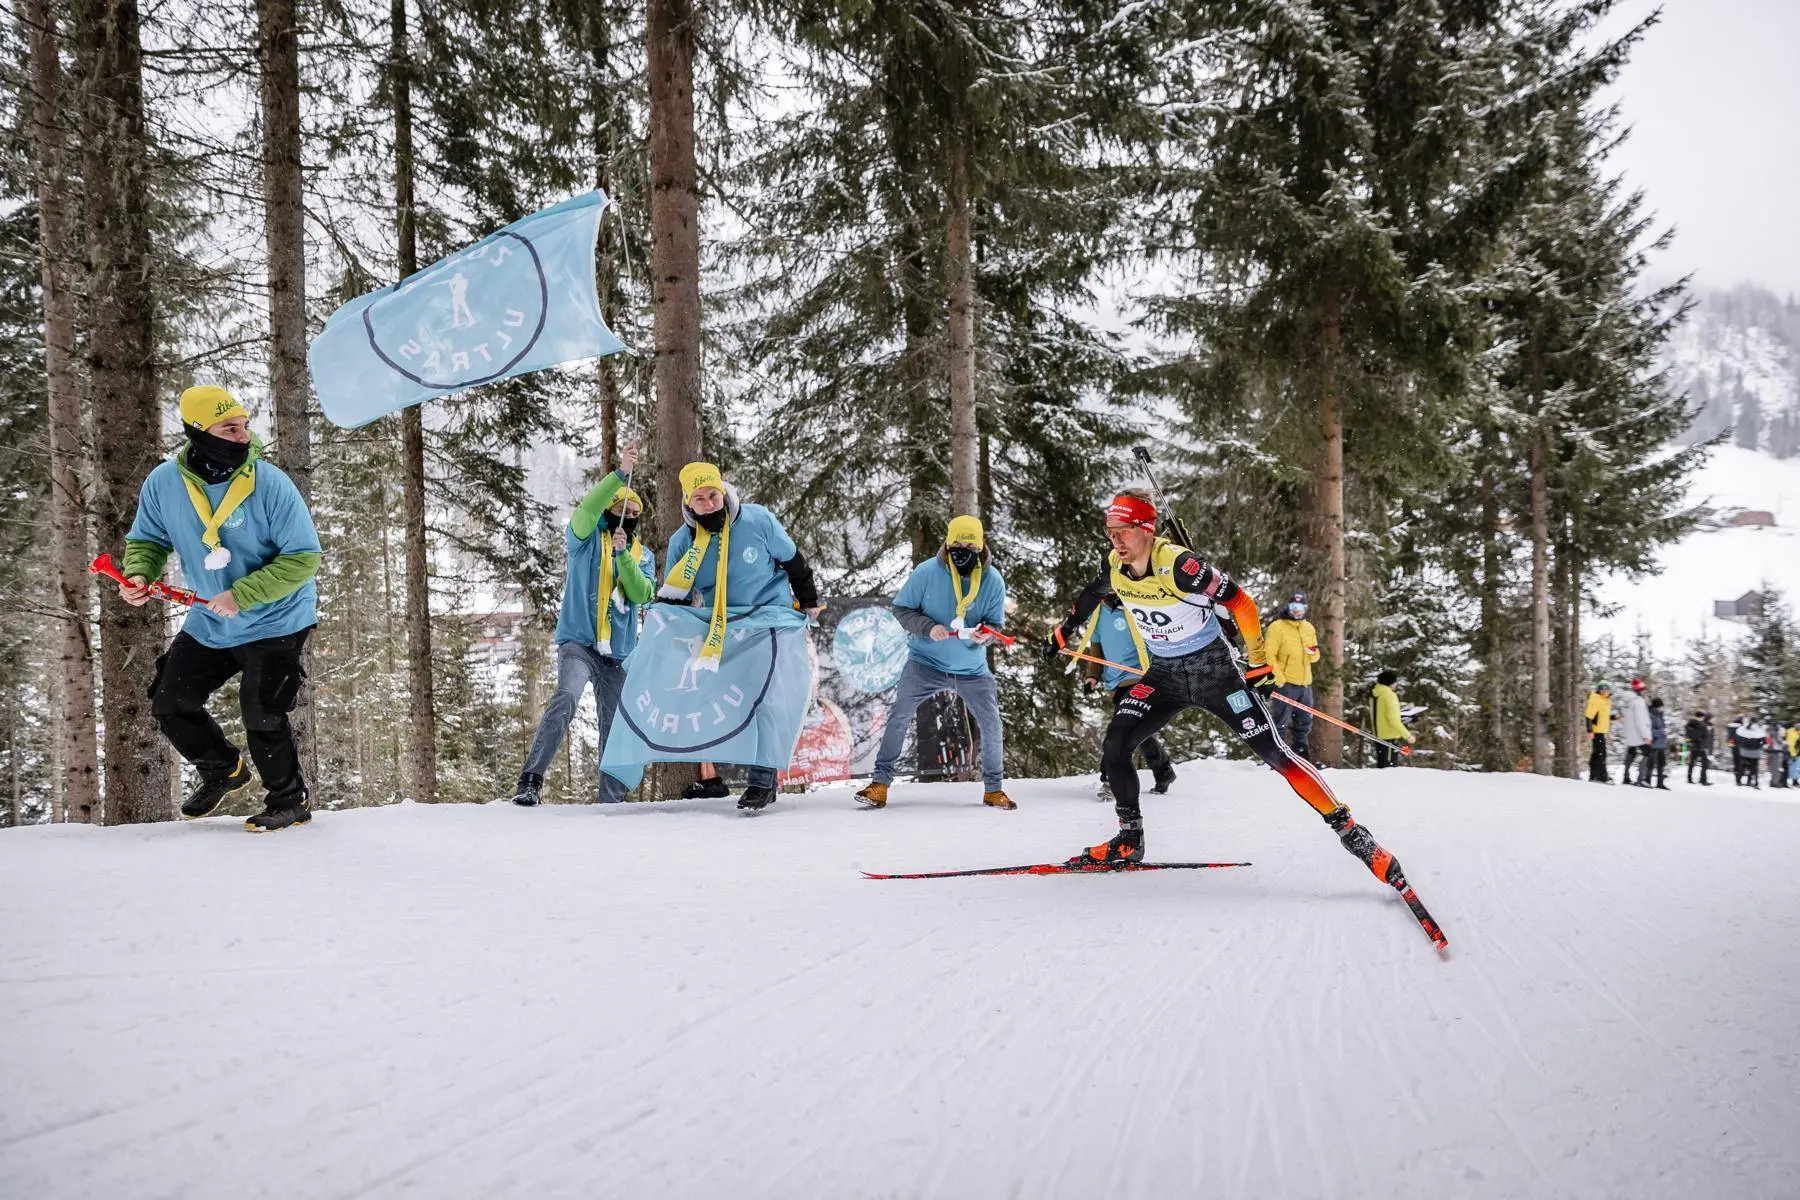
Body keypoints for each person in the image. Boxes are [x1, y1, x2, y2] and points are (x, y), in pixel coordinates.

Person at [1043, 487, 1421, 898]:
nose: (1115, 540)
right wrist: (1066, 627)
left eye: (1124, 531)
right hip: (1163, 676)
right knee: (1116, 745)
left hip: (1215, 676)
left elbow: (1242, 602)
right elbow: (1092, 595)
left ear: (1146, 529)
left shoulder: (1180, 565)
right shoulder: (1115, 566)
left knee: (1277, 754)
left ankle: (1356, 837)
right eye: (1110, 531)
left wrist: (1259, 660)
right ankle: (1129, 839)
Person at [118, 386, 321, 831]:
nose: (242, 435)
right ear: (197, 430)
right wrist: (139, 576)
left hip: (276, 616)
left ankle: (289, 801)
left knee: (262, 707)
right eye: (230, 427)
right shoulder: (163, 483)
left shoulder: (269, 482)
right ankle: (222, 769)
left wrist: (243, 594)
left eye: (245, 425)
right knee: (170, 702)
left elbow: (304, 557)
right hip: (211, 619)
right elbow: (147, 541)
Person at [658, 461, 824, 811]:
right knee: (720, 701)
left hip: (767, 620)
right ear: (688, 503)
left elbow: (794, 561)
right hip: (721, 631)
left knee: (764, 698)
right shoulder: (682, 542)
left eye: (713, 495)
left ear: (724, 493)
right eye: (699, 499)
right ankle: (713, 776)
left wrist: (808, 601)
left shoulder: (758, 520)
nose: (708, 504)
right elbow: (676, 595)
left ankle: (763, 781)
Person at [510, 445, 656, 806]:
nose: (629, 516)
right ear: (611, 511)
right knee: (567, 697)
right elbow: (587, 508)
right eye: (622, 509)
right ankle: (531, 779)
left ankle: (611, 800)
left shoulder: (643, 555)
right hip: (578, 642)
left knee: (615, 724)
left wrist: (623, 557)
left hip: (618, 653)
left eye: (636, 513)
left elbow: (641, 593)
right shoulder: (584, 541)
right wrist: (621, 474)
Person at [855, 516, 1013, 811]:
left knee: (992, 724)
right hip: (925, 663)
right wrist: (927, 627)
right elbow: (901, 610)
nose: (961, 549)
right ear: (947, 543)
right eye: (956, 544)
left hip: (972, 671)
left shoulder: (993, 581)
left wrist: (985, 636)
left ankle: (993, 789)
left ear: (980, 546)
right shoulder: (927, 572)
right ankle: (879, 784)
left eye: (969, 544)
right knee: (899, 716)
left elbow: (995, 627)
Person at [1077, 588, 1177, 803]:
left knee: (1119, 728)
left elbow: (1155, 640)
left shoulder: (1137, 607)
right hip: (1116, 680)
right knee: (1135, 730)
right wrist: (1092, 676)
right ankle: (1163, 770)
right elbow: (1096, 650)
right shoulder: (1098, 614)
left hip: (1140, 676)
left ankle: (1111, 779)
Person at [1263, 592, 1320, 761]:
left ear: (1305, 609)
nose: (1297, 611)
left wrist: (1312, 652)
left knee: (1304, 722)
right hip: (1285, 683)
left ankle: (1301, 755)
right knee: (1281, 721)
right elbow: (1269, 655)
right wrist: (1279, 678)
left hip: (1305, 684)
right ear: (1288, 608)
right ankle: (1276, 757)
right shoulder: (1277, 627)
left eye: (1300, 607)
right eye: (1294, 607)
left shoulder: (1308, 628)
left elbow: (1315, 657)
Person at [1368, 669, 1414, 767]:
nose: (1396, 684)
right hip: (1390, 737)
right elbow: (1393, 719)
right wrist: (1407, 736)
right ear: (1390, 682)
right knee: (1389, 769)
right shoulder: (1389, 695)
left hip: (1378, 736)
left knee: (1382, 766)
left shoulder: (1375, 694)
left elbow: (1381, 714)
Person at [1615, 678, 1652, 787]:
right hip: (1638, 734)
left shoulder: (1626, 701)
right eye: (1643, 689)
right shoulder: (1638, 701)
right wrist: (1645, 735)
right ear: (1639, 690)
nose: (1645, 691)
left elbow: (1624, 718)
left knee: (1631, 752)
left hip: (1630, 733)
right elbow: (1640, 720)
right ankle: (1641, 779)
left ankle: (1626, 777)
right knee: (1647, 752)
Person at [1585, 681, 1613, 783]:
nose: (1604, 691)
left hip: (1601, 731)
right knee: (1601, 754)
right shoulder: (1596, 700)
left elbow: (1602, 716)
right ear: (1599, 690)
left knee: (1597, 754)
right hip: (1596, 731)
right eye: (1602, 689)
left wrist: (1614, 717)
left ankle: (1594, 776)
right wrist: (1589, 731)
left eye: (1606, 689)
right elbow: (1589, 716)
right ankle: (1602, 777)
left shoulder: (1605, 701)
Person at [1735, 714, 1767, 789]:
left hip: (1744, 751)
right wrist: (1759, 745)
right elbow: (1764, 741)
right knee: (1754, 768)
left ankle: (1738, 781)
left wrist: (1742, 745)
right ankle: (1754, 782)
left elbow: (1737, 738)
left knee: (1742, 766)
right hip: (1755, 752)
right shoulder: (1759, 730)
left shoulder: (1743, 729)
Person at [1683, 710, 1713, 786]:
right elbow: (1704, 735)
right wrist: (1702, 740)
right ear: (1701, 717)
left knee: (1692, 762)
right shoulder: (1701, 725)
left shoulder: (1690, 723)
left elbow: (1688, 734)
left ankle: (1689, 778)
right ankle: (1703, 780)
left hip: (1694, 746)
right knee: (1705, 763)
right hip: (1699, 746)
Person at [1646, 698, 1670, 790]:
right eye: (1661, 706)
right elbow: (1650, 731)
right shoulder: (1651, 716)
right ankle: (1647, 781)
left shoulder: (1660, 715)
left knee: (1661, 763)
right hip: (1654, 743)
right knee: (1651, 763)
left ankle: (1660, 783)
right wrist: (1662, 731)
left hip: (1661, 744)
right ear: (1657, 707)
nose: (1663, 708)